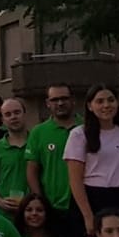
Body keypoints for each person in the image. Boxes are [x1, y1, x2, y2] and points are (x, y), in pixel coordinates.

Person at [64, 85, 119, 237]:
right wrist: (88, 216)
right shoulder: (79, 134)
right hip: (93, 197)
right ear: (90, 106)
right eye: (100, 101)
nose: (106, 105)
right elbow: (75, 179)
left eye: (110, 100)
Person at [25, 84, 78, 220]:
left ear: (73, 100)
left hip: (85, 204)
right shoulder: (38, 132)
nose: (60, 103)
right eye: (55, 100)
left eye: (64, 98)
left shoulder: (87, 127)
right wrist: (40, 202)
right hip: (53, 207)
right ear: (47, 103)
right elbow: (32, 171)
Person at [0, 98, 30, 214]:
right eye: (8, 114)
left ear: (25, 114)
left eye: (17, 112)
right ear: (2, 119)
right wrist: (0, 202)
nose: (13, 117)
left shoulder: (37, 144)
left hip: (34, 212)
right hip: (4, 214)